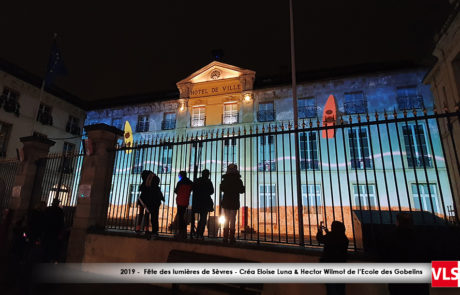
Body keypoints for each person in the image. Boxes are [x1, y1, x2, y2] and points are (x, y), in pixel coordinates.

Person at [317, 220, 349, 295]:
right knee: (340, 289)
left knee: (331, 289)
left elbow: (320, 239)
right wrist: (328, 232)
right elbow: (334, 238)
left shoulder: (330, 236)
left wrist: (320, 230)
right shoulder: (344, 238)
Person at [220, 164, 245, 244]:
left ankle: (225, 237)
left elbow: (222, 188)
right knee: (233, 219)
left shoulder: (225, 180)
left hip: (226, 202)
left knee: (226, 219)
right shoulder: (238, 180)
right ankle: (231, 237)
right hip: (234, 202)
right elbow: (241, 190)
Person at [138, 170, 164, 239]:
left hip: (145, 201)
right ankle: (149, 230)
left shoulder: (146, 183)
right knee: (149, 215)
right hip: (149, 201)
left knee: (143, 214)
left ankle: (140, 228)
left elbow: (141, 189)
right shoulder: (150, 182)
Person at [191, 169, 214, 240]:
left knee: (194, 218)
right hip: (205, 202)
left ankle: (194, 233)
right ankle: (200, 234)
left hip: (197, 202)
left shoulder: (197, 181)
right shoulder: (208, 181)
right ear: (208, 174)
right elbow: (212, 191)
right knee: (203, 219)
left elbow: (193, 189)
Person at [42, 198, 65, 263]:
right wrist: (61, 232)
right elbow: (62, 222)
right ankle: (50, 258)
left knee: (46, 245)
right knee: (53, 246)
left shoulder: (48, 209)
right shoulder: (60, 211)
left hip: (47, 230)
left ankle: (44, 257)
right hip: (55, 231)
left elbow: (44, 219)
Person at [174, 171, 193, 239]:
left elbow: (176, 191)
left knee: (180, 217)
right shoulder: (190, 182)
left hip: (179, 201)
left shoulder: (180, 182)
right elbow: (192, 189)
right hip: (186, 201)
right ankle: (183, 232)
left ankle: (181, 232)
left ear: (181, 176)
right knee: (182, 216)